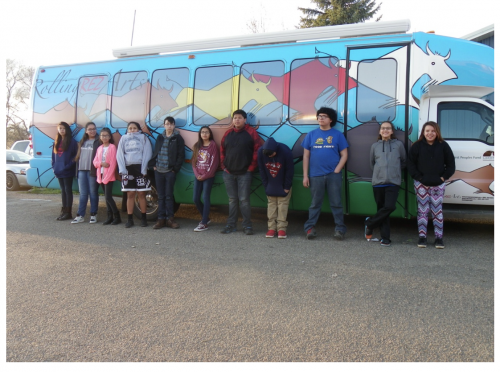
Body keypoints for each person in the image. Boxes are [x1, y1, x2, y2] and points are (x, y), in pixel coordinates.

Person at [302, 107, 348, 240]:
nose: (320, 118)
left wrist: (337, 170)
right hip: (315, 175)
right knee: (315, 203)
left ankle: (340, 229)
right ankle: (310, 228)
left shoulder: (338, 135)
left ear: (331, 119)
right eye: (319, 116)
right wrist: (305, 176)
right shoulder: (311, 135)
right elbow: (306, 157)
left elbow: (344, 155)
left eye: (324, 116)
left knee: (336, 203)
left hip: (333, 175)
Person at [407, 121, 455, 249]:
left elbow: (451, 165)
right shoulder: (416, 146)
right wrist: (419, 178)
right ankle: (422, 237)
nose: (430, 133)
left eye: (433, 131)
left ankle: (439, 238)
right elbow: (410, 164)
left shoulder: (443, 146)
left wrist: (443, 178)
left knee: (437, 211)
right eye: (427, 131)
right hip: (421, 184)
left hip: (438, 185)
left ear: (437, 132)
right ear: (423, 132)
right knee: (422, 211)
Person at [364, 121, 406, 247]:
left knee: (389, 207)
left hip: (393, 182)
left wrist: (395, 171)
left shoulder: (398, 145)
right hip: (378, 183)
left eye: (388, 128)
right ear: (380, 131)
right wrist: (379, 173)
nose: (385, 130)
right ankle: (385, 238)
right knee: (382, 210)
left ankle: (369, 223)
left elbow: (403, 161)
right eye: (383, 128)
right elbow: (372, 163)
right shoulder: (374, 146)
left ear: (392, 131)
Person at [220, 109, 262, 235]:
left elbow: (257, 151)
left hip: (245, 173)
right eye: (235, 118)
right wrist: (224, 167)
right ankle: (231, 225)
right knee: (232, 200)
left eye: (239, 118)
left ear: (245, 120)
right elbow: (222, 150)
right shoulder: (228, 133)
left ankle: (247, 226)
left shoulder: (251, 133)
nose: (237, 120)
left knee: (244, 200)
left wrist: (251, 168)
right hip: (228, 173)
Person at [148, 116, 185, 229]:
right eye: (167, 124)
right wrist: (153, 166)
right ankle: (160, 220)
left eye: (171, 124)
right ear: (164, 125)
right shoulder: (160, 137)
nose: (169, 126)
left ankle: (170, 219)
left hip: (170, 171)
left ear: (174, 126)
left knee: (169, 196)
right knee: (161, 196)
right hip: (158, 170)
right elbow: (156, 151)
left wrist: (175, 169)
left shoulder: (177, 138)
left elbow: (180, 155)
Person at [116, 121, 153, 228]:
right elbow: (120, 154)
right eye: (130, 128)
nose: (132, 130)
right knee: (130, 194)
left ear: (139, 129)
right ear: (127, 130)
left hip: (140, 167)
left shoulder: (143, 138)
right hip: (128, 168)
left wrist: (144, 169)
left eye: (134, 128)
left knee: (141, 194)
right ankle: (130, 219)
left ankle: (144, 218)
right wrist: (122, 169)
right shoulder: (123, 138)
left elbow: (147, 152)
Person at [258, 137, 294, 239]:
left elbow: (290, 170)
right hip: (271, 183)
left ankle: (282, 228)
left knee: (283, 204)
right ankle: (271, 228)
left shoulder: (285, 151)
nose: (270, 156)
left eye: (272, 154)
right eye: (267, 155)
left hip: (283, 182)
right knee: (271, 205)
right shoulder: (261, 152)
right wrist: (266, 185)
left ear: (276, 150)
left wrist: (287, 186)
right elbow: (261, 170)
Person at [71, 122, 101, 224]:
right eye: (90, 129)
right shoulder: (82, 141)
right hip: (81, 170)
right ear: (86, 131)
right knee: (83, 194)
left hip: (92, 171)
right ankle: (80, 215)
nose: (92, 131)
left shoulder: (99, 141)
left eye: (94, 129)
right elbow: (78, 157)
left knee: (93, 193)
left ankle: (93, 214)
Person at [191, 126, 219, 232]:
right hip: (198, 176)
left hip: (208, 177)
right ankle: (206, 218)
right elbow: (194, 162)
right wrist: (197, 174)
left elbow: (214, 163)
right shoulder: (197, 146)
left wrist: (205, 176)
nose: (204, 134)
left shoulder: (213, 146)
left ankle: (204, 223)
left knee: (205, 197)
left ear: (210, 134)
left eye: (206, 132)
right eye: (202, 132)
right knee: (195, 198)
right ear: (200, 134)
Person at [93, 127, 121, 225]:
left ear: (109, 137)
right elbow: (95, 162)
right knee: (106, 197)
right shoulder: (99, 148)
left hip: (108, 176)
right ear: (100, 137)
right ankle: (110, 216)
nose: (104, 137)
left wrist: (107, 177)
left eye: (106, 135)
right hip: (100, 174)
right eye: (102, 135)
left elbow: (113, 163)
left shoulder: (112, 147)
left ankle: (117, 216)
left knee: (108, 197)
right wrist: (101, 163)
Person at [52, 121, 78, 221]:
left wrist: (67, 166)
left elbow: (75, 157)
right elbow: (53, 158)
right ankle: (63, 211)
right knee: (63, 191)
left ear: (67, 130)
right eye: (60, 128)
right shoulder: (56, 142)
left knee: (68, 190)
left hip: (67, 171)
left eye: (64, 128)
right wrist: (54, 167)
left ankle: (68, 212)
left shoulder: (72, 142)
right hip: (58, 171)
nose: (62, 130)